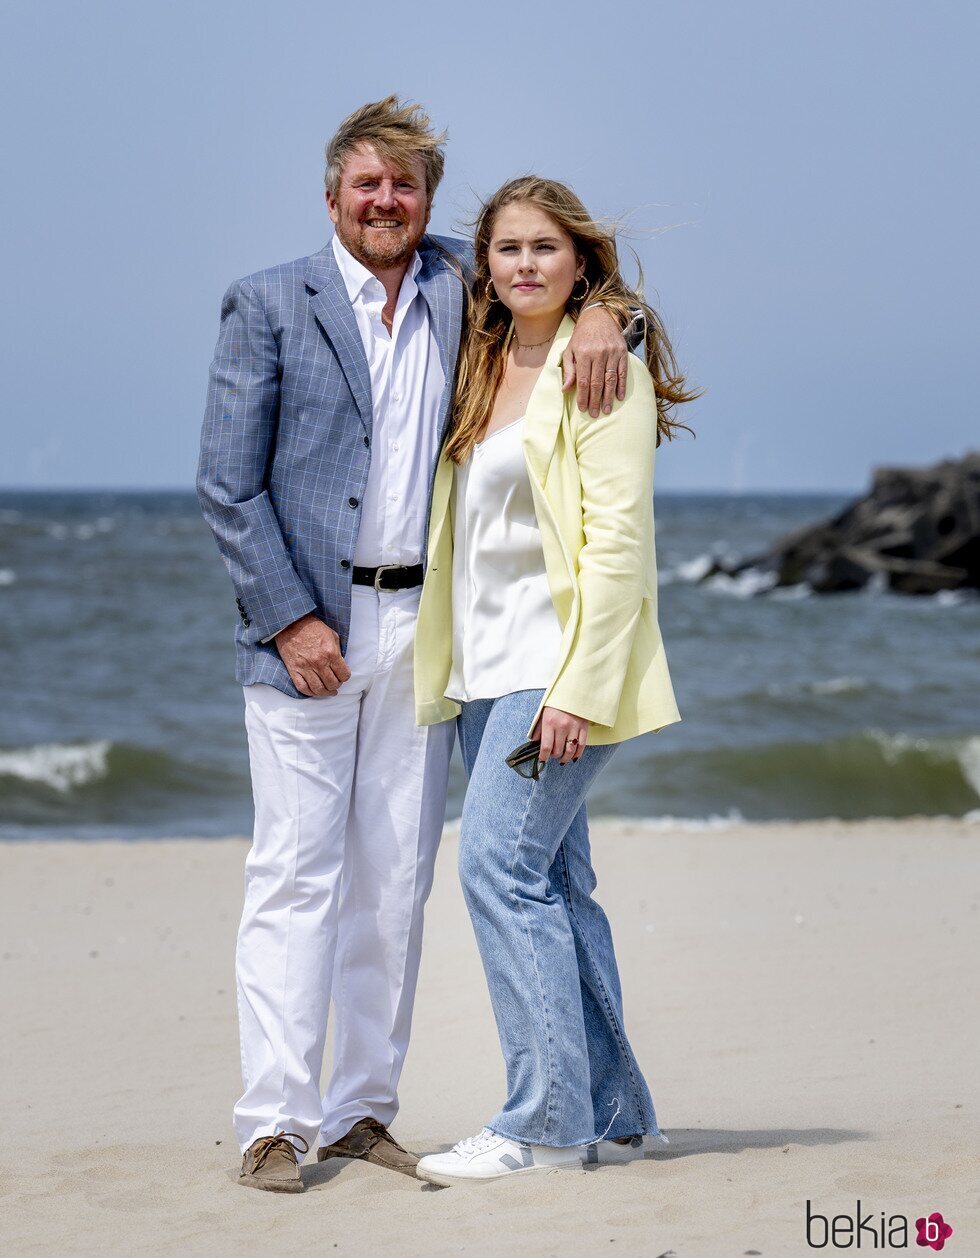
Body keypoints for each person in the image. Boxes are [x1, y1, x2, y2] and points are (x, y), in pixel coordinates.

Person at [197, 99, 634, 1193]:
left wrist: (605, 316)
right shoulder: (266, 303)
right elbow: (226, 483)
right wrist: (290, 618)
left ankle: (358, 1112)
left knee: (394, 881)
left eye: (405, 186)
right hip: (306, 629)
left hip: (426, 633)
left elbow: (557, 274)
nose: (384, 201)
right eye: (365, 184)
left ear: (427, 200)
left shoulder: (456, 286)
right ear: (332, 193)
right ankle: (273, 1121)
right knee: (295, 874)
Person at [413, 176, 697, 1184]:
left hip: (554, 673)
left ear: (579, 259)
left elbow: (618, 549)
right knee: (556, 884)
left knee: (494, 868)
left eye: (546, 248)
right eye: (507, 249)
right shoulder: (479, 360)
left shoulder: (598, 368)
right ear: (483, 264)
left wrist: (575, 689)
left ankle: (541, 1124)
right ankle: (617, 1113)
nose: (524, 264)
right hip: (482, 674)